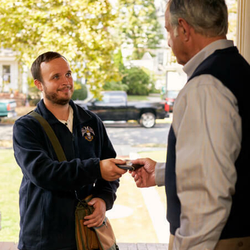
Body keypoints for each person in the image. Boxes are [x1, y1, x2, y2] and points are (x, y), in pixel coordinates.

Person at [131, 0, 250, 249]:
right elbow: (226, 160)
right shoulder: (238, 70)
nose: (167, 41)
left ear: (183, 29)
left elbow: (207, 199)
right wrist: (163, 172)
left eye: (167, 30)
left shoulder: (206, 87)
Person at [13, 51, 126, 250]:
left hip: (85, 234)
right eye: (56, 77)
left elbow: (109, 167)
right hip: (43, 238)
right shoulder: (26, 127)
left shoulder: (91, 121)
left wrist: (103, 198)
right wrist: (96, 168)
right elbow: (44, 173)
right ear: (39, 85)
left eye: (68, 74)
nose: (66, 81)